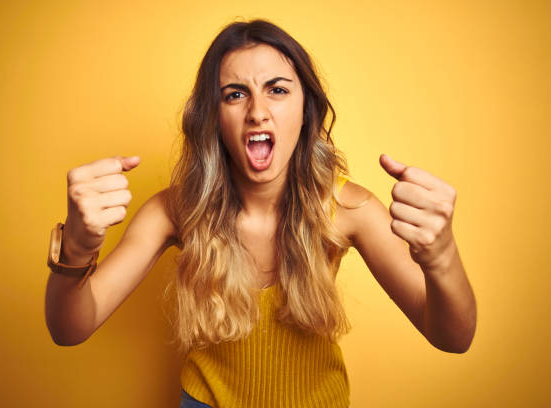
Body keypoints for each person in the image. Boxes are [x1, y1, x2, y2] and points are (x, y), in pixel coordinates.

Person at [45, 19, 477, 408]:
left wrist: (441, 257)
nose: (257, 111)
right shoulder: (175, 210)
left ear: (305, 111)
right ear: (213, 118)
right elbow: (70, 328)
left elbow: (453, 337)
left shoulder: (349, 209)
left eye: (277, 89)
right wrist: (78, 248)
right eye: (235, 94)